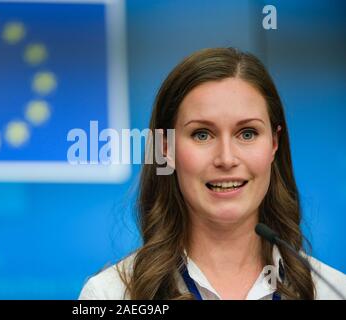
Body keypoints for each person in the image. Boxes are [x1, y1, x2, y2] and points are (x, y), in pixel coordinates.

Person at [79, 47, 346, 300]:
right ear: (165, 148)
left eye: (247, 133)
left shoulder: (332, 290)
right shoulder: (109, 294)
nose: (226, 159)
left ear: (274, 143)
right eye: (202, 134)